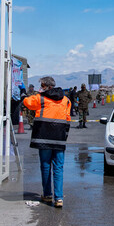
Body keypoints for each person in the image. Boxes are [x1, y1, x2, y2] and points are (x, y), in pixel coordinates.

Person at [22, 76, 71, 208]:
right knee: (58, 168)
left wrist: (27, 93)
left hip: (44, 138)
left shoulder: (40, 98)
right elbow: (67, 118)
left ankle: (48, 195)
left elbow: (27, 102)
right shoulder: (66, 100)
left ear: (45, 85)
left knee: (45, 166)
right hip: (59, 139)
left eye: (42, 85)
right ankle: (59, 198)